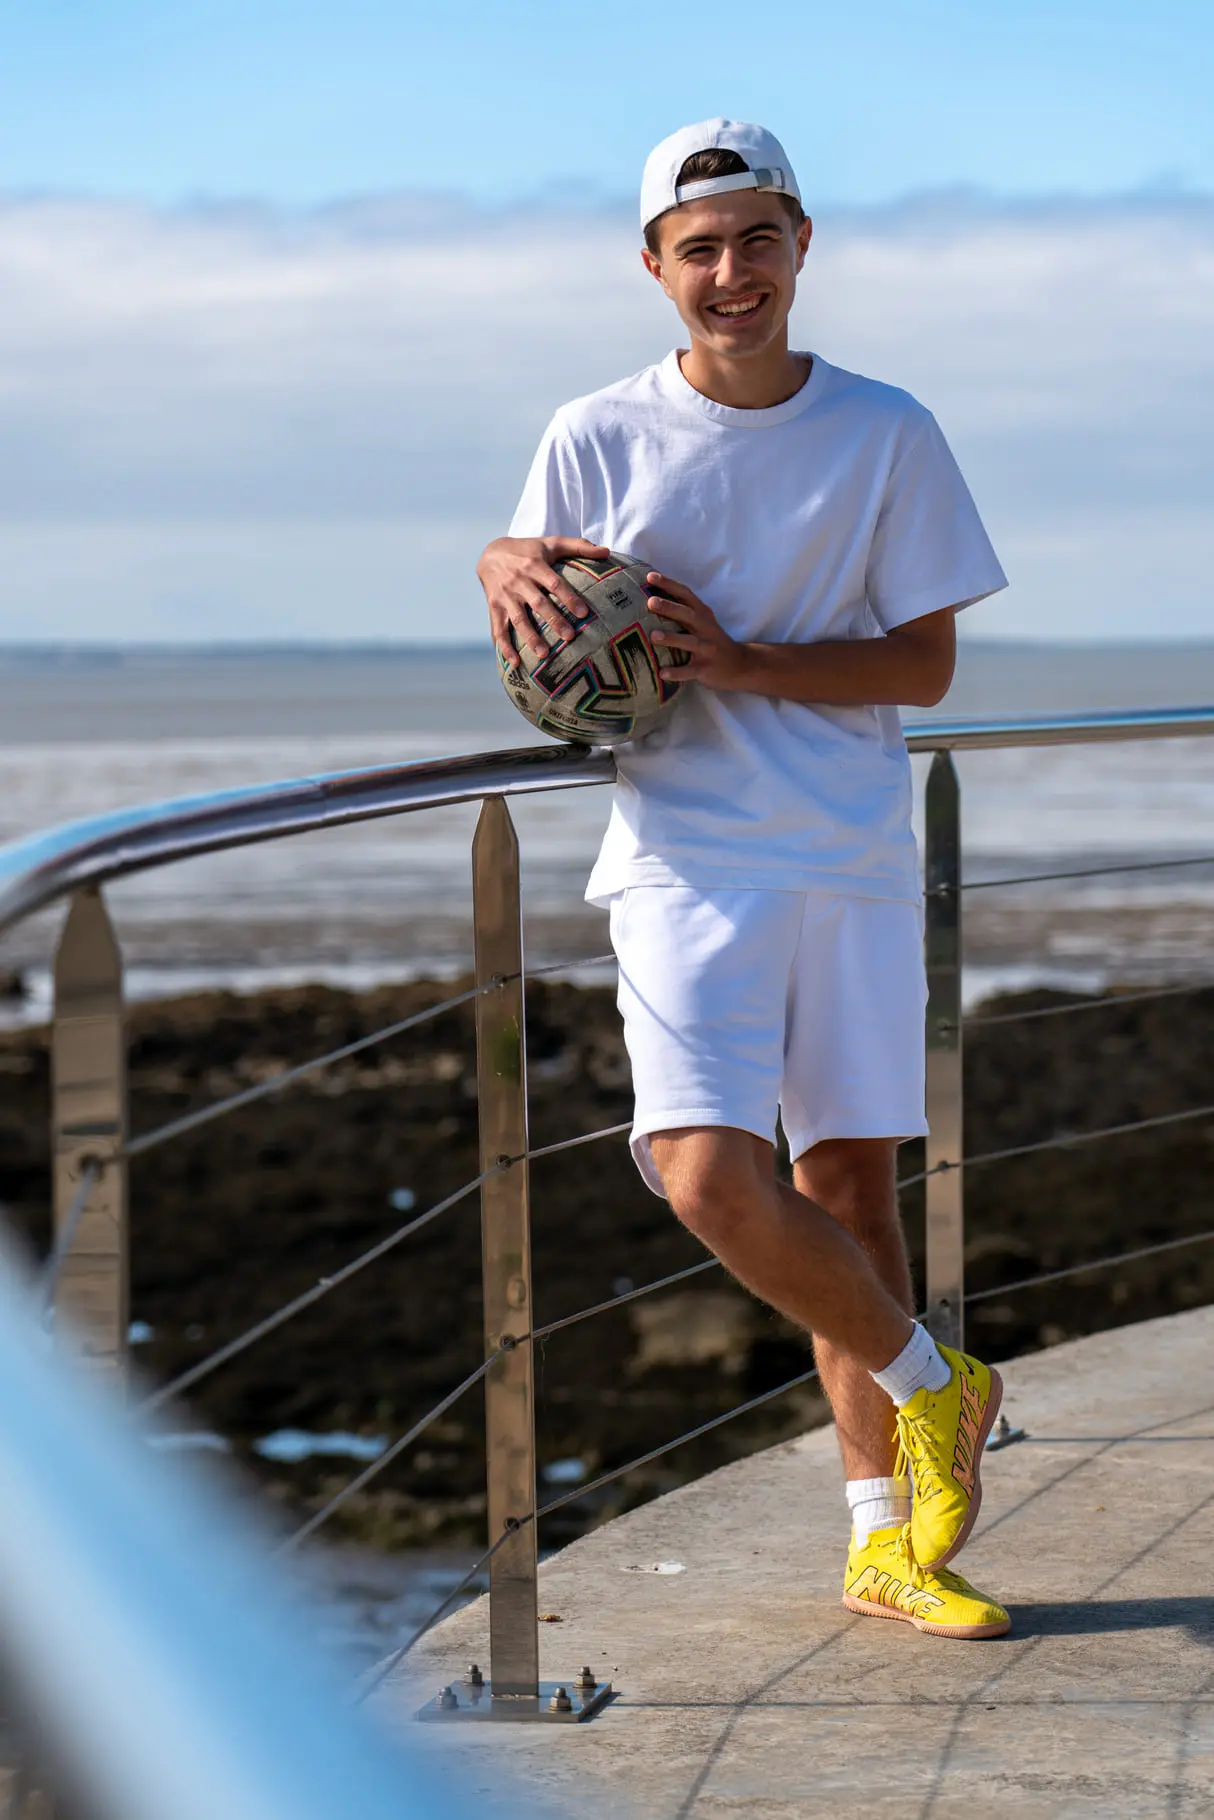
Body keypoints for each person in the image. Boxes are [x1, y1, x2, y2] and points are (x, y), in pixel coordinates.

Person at [477, 119, 1011, 1639]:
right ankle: (938, 1385)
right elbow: (534, 578)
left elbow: (922, 661)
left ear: (800, 247)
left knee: (849, 1189)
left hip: (844, 844)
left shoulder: (886, 429)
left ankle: (885, 1539)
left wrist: (746, 661)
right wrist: (490, 565)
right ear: (654, 267)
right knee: (708, 1174)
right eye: (697, 249)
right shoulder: (593, 428)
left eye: (755, 240)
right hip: (680, 851)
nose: (731, 273)